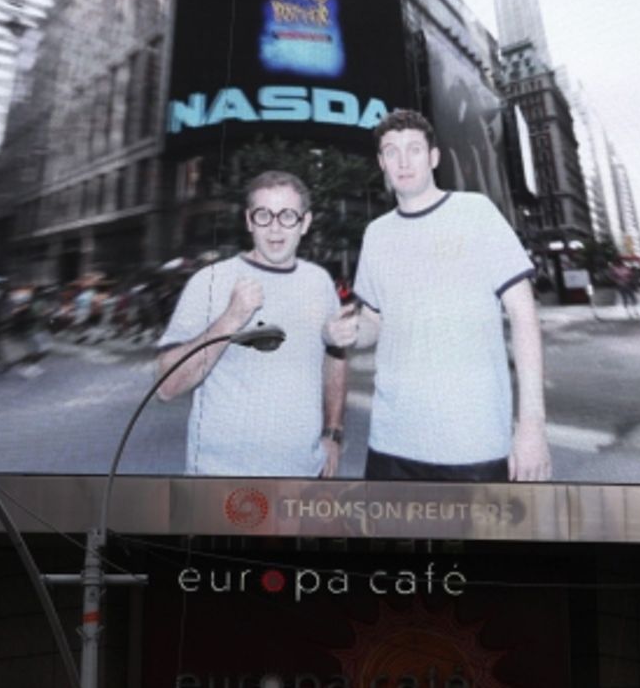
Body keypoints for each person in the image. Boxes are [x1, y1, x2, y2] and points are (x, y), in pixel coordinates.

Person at [325, 109, 550, 482]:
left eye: (414, 149)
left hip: (474, 446)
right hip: (391, 444)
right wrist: (342, 334)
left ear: (433, 157)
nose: (403, 160)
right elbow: (374, 323)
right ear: (381, 162)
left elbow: (524, 317)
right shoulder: (376, 234)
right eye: (391, 152)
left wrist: (532, 426)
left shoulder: (476, 213)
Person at [157, 170, 347, 477]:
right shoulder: (210, 281)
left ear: (305, 223)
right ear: (248, 221)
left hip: (303, 476)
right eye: (263, 215)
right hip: (220, 481)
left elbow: (336, 356)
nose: (275, 228)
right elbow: (167, 386)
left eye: (287, 216)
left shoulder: (320, 282)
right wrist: (231, 317)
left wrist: (334, 431)